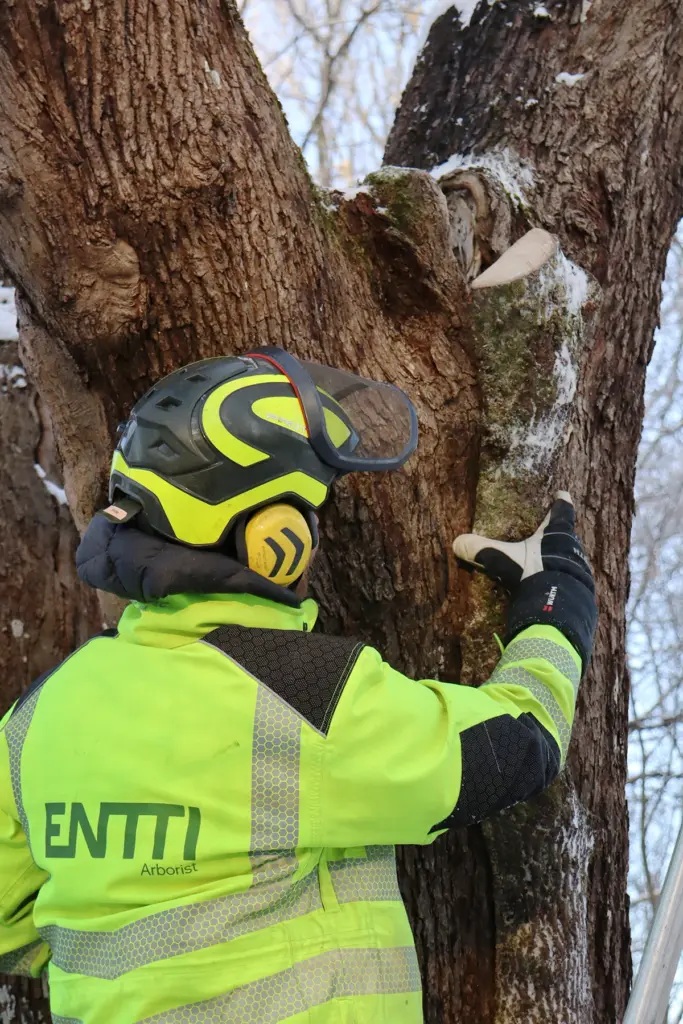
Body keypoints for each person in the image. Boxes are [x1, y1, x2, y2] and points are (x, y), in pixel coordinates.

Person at [0, 348, 597, 1024]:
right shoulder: (298, 695)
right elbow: (517, 744)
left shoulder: (41, 715)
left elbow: (8, 925)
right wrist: (557, 607)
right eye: (311, 515)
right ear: (273, 538)